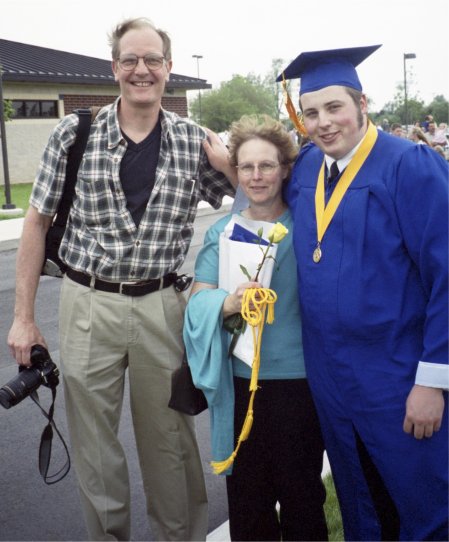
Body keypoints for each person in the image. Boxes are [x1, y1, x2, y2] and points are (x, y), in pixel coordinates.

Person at [7, 17, 237, 542]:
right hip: (88, 303)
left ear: (169, 68)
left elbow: (254, 203)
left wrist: (229, 166)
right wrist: (23, 319)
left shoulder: (193, 140)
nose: (141, 70)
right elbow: (36, 223)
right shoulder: (74, 133)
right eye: (130, 59)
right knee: (95, 447)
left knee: (171, 443)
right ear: (114, 67)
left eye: (152, 59)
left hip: (163, 305)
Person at [276, 45, 448, 541]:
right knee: (360, 499)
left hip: (398, 375)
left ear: (362, 103)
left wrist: (433, 381)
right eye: (311, 112)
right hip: (331, 378)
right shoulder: (307, 168)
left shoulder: (409, 165)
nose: (324, 122)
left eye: (334, 107)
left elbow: (446, 276)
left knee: (422, 499)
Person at [184, 114, 328, 541]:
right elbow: (196, 301)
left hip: (299, 385)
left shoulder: (310, 229)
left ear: (285, 169)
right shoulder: (222, 232)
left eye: (266, 165)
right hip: (240, 385)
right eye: (246, 167)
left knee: (303, 501)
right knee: (248, 507)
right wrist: (229, 302)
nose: (256, 176)